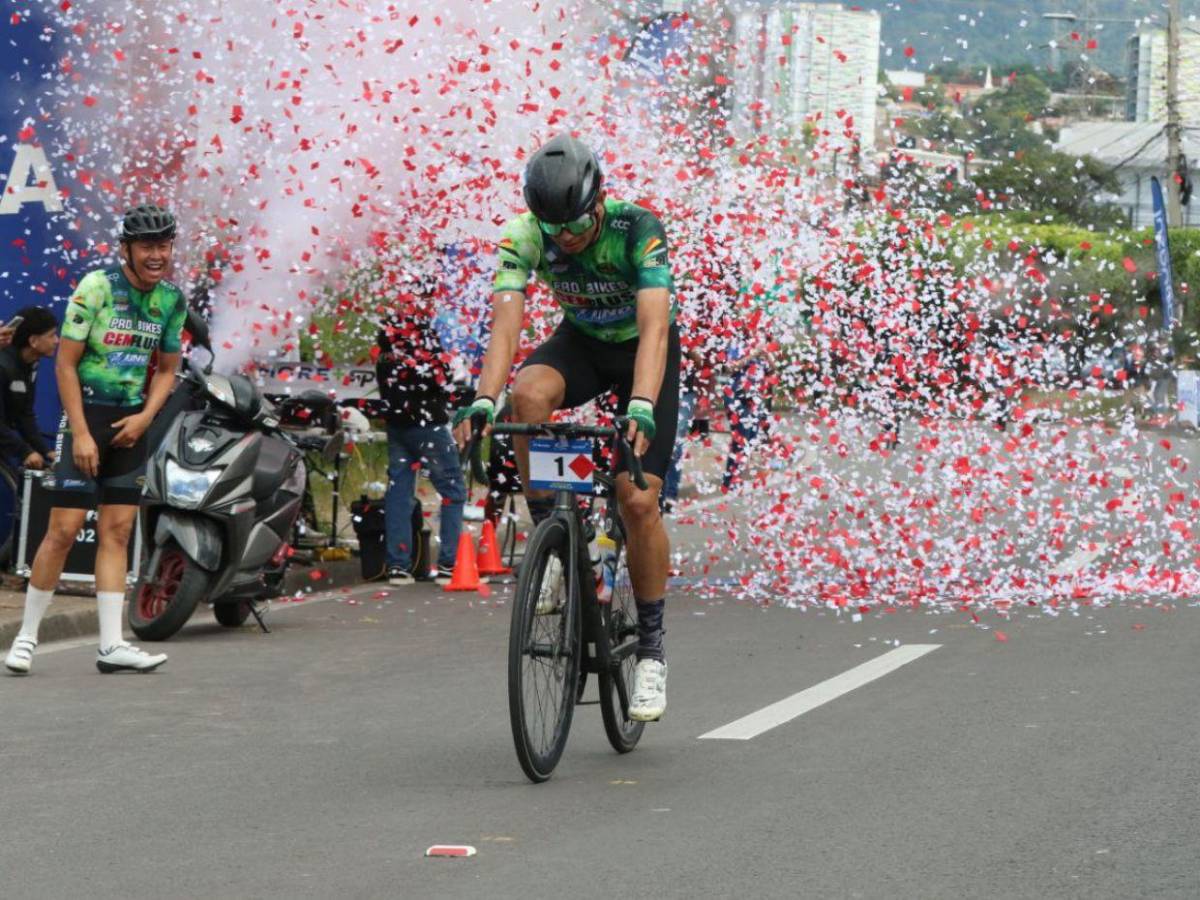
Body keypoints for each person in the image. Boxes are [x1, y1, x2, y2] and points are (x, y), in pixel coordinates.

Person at [452, 134, 678, 722]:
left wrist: (642, 406)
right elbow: (507, 327)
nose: (566, 239)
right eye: (554, 230)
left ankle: (651, 652)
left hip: (642, 355)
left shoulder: (638, 228)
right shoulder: (526, 233)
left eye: (576, 225)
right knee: (526, 396)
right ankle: (554, 541)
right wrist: (483, 399)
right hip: (580, 344)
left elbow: (655, 327)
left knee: (636, 499)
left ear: (599, 199)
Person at [4, 204, 186, 675]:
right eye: (147, 246)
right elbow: (65, 364)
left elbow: (168, 370)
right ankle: (25, 638)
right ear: (126, 248)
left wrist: (146, 418)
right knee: (62, 531)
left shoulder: (171, 299)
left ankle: (111, 645)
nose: (157, 255)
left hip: (132, 424)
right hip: (86, 419)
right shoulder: (97, 287)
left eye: (164, 246)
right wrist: (81, 432)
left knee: (118, 532)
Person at [375, 278, 466, 586]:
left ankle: (398, 565)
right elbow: (440, 379)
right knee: (452, 491)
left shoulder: (387, 339)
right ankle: (449, 564)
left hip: (396, 425)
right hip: (429, 423)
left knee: (400, 492)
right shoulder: (422, 336)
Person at [0, 306, 60, 471]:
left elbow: (24, 416)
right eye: (51, 335)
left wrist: (46, 451)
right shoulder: (3, 366)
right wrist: (25, 451)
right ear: (33, 341)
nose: (57, 341)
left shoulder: (30, 365)